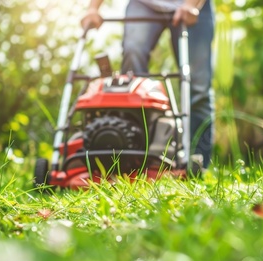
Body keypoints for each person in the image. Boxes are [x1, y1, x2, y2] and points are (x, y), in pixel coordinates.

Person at [81, 0, 215, 168]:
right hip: (144, 4)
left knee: (197, 86)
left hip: (193, 6)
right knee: (131, 77)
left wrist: (191, 5)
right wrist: (93, 9)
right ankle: (131, 157)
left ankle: (197, 163)